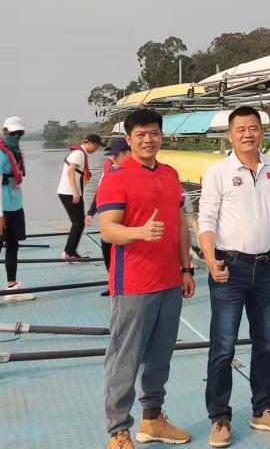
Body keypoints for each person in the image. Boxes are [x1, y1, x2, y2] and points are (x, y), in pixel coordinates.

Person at [97, 108, 196, 449]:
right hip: (134, 284)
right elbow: (108, 230)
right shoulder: (117, 177)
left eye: (154, 133)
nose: (148, 139)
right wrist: (139, 232)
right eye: (140, 135)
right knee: (125, 358)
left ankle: (153, 419)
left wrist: (186, 268)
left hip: (169, 280)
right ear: (128, 139)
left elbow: (179, 224)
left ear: (161, 136)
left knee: (160, 356)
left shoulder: (169, 174)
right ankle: (118, 431)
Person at [198, 106, 270, 448]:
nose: (247, 134)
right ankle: (219, 417)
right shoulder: (218, 172)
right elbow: (206, 220)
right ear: (230, 135)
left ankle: (263, 409)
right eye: (240, 129)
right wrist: (210, 259)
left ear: (261, 132)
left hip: (266, 267)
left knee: (266, 343)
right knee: (223, 347)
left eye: (253, 128)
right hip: (230, 268)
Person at [0, 116, 34, 310]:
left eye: (20, 133)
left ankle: (12, 288)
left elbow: (16, 178)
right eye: (14, 133)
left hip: (15, 207)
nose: (17, 136)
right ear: (5, 131)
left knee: (13, 246)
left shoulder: (15, 152)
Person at [87, 138, 130, 295]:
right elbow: (100, 193)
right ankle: (112, 284)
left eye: (116, 155)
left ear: (128, 154)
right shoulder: (109, 169)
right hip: (111, 220)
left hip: (127, 221)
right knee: (107, 249)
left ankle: (124, 285)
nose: (113, 158)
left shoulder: (135, 171)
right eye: (112, 155)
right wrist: (91, 212)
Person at [57, 133, 103, 261]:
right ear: (90, 143)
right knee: (78, 223)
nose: (96, 149)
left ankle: (70, 251)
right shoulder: (79, 154)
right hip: (69, 193)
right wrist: (75, 192)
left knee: (78, 223)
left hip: (68, 192)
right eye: (96, 146)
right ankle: (69, 253)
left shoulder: (80, 153)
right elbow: (70, 171)